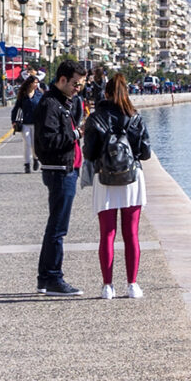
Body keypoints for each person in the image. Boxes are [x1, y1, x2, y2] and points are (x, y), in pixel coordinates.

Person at [81, 75, 151, 299]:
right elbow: (146, 153)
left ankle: (107, 286)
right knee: (131, 234)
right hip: (132, 179)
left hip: (105, 179)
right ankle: (132, 285)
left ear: (107, 93)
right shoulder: (135, 117)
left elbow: (90, 153)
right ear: (127, 92)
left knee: (107, 234)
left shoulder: (96, 118)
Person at [29, 60, 87, 298]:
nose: (77, 89)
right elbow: (48, 140)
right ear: (61, 79)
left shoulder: (65, 102)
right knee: (57, 229)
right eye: (75, 84)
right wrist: (75, 133)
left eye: (81, 85)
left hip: (66, 169)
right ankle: (53, 277)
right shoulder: (50, 104)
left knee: (55, 226)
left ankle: (45, 278)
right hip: (59, 170)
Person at [10, 75, 40, 174]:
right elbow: (15, 109)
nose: (36, 84)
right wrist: (13, 121)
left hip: (36, 124)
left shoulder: (39, 95)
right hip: (25, 123)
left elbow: (44, 109)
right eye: (35, 82)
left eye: (37, 83)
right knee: (27, 143)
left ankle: (35, 159)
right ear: (30, 83)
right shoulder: (23, 96)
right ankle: (27, 164)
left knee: (34, 145)